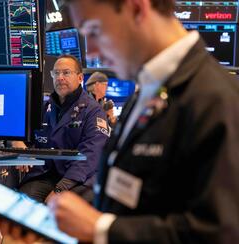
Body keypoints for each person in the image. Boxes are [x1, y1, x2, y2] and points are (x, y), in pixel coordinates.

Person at [46, 0, 239, 243]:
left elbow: (219, 232)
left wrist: (100, 229)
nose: (92, 52)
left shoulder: (217, 99)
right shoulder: (147, 90)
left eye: (94, 31)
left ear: (137, 9)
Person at [17, 54, 109, 203]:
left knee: (61, 206)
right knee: (22, 201)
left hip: (79, 179)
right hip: (46, 176)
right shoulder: (45, 107)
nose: (60, 78)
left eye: (66, 73)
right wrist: (17, 143)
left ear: (80, 78)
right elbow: (22, 132)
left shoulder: (93, 111)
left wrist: (60, 188)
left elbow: (91, 155)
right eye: (56, 73)